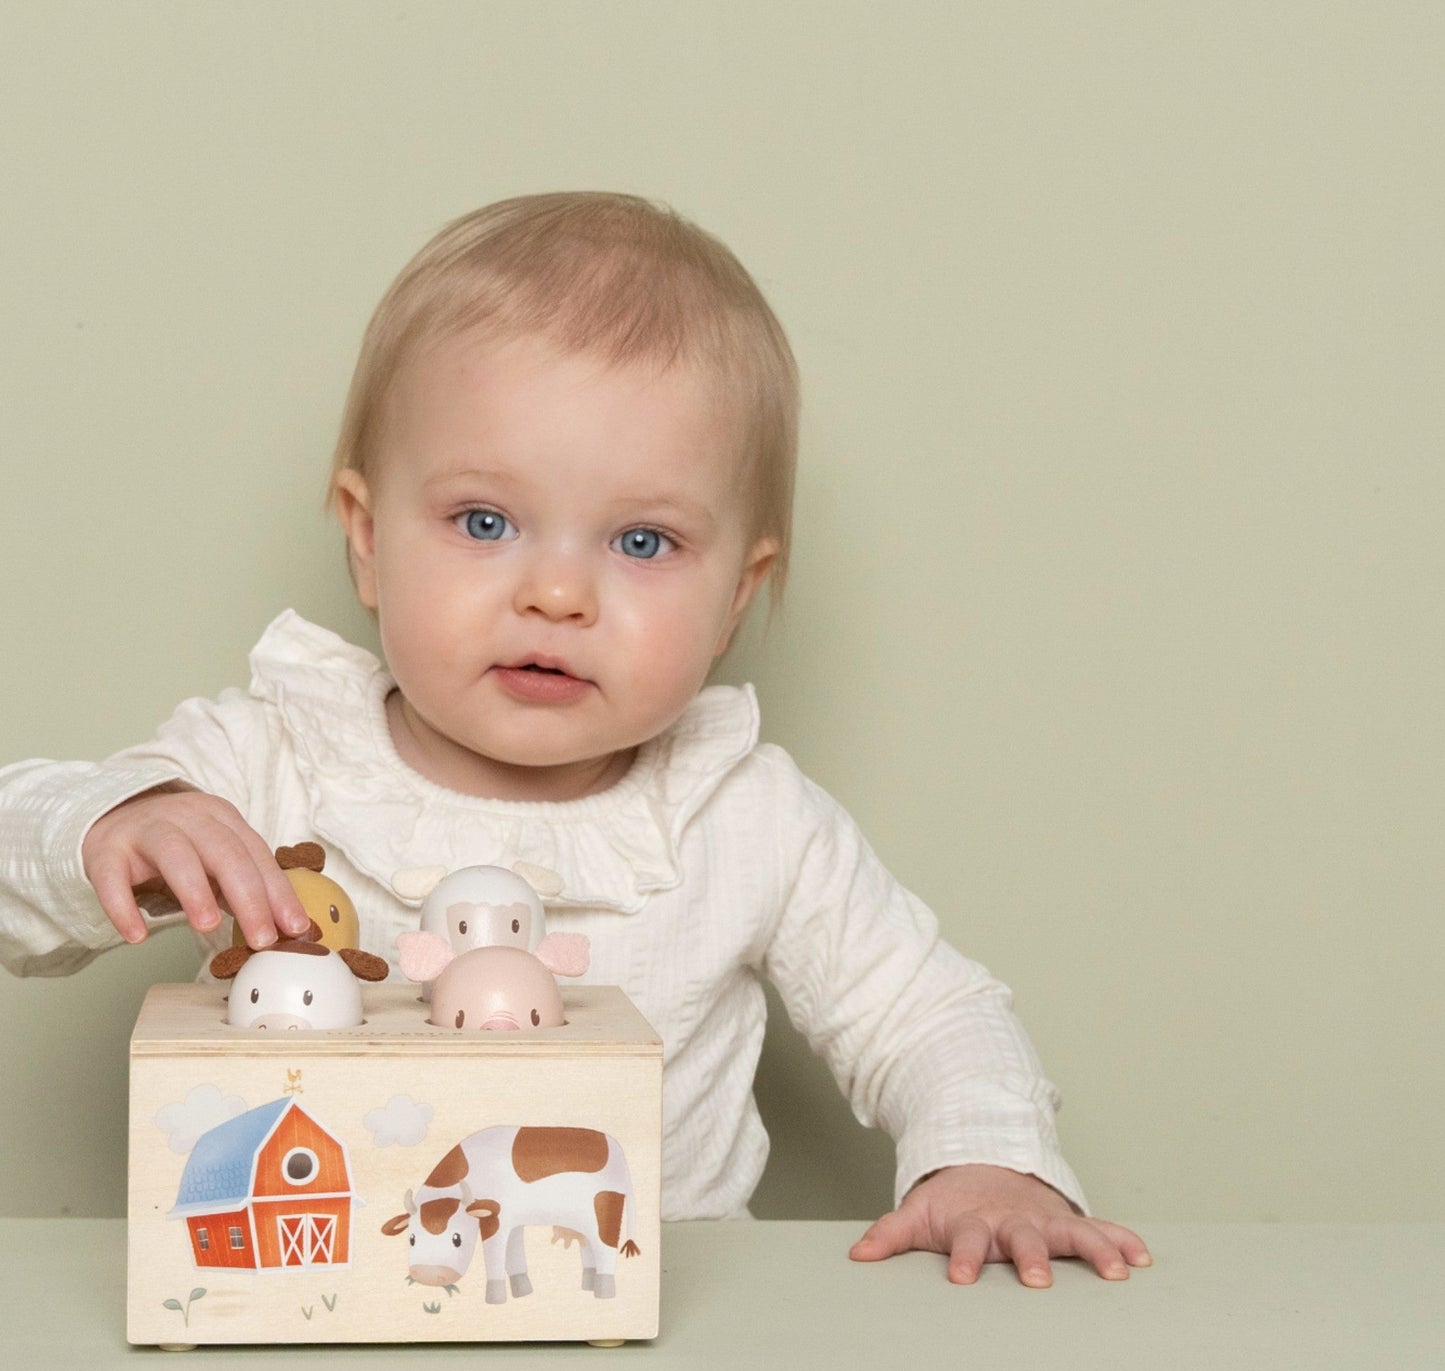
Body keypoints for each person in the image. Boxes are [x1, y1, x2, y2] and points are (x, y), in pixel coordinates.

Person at [0, 192, 1149, 1287]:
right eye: (483, 521)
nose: (556, 592)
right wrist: (117, 821)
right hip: (328, 1313)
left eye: (642, 542)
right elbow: (20, 872)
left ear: (734, 600)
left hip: (655, 1321)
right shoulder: (275, 757)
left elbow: (926, 1012)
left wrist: (985, 1160)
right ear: (365, 540)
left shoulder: (739, 812)